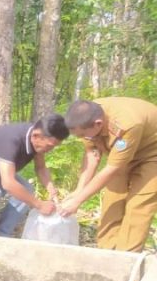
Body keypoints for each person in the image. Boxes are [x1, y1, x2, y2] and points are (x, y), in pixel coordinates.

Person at [61, 98, 157, 251]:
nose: (80, 138)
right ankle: (107, 251)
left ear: (98, 124)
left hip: (152, 155)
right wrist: (79, 190)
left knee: (138, 206)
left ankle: (126, 258)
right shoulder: (86, 115)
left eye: (82, 135)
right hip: (121, 155)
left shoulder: (127, 123)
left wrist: (78, 201)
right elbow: (92, 154)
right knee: (112, 201)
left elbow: (113, 169)